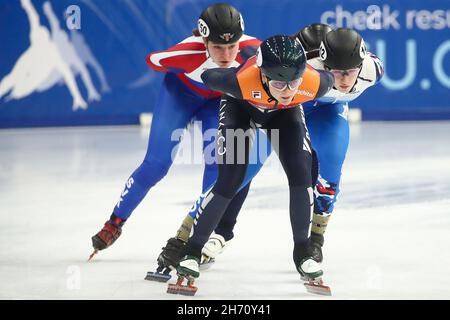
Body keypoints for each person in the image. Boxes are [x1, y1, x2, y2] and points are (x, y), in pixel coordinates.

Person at [156, 25, 384, 274]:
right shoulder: (297, 72)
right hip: (275, 106)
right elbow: (221, 70)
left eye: (350, 71)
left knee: (327, 169)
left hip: (317, 110)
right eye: (335, 70)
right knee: (236, 175)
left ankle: (314, 241)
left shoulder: (361, 72)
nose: (343, 79)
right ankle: (187, 237)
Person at [89, 3, 261, 259]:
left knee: (219, 163)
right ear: (204, 40)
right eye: (217, 47)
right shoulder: (185, 53)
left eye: (231, 46)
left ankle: (197, 234)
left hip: (218, 101)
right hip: (180, 96)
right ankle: (115, 221)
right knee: (156, 164)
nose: (226, 54)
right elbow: (153, 60)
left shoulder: (253, 50)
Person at [169, 35, 334, 289]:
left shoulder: (313, 84)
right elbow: (207, 76)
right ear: (263, 75)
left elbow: (331, 79)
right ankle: (192, 250)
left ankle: (303, 252)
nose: (287, 91)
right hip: (241, 109)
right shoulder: (238, 81)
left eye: (293, 83)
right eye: (279, 84)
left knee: (301, 174)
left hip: (284, 115)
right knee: (230, 180)